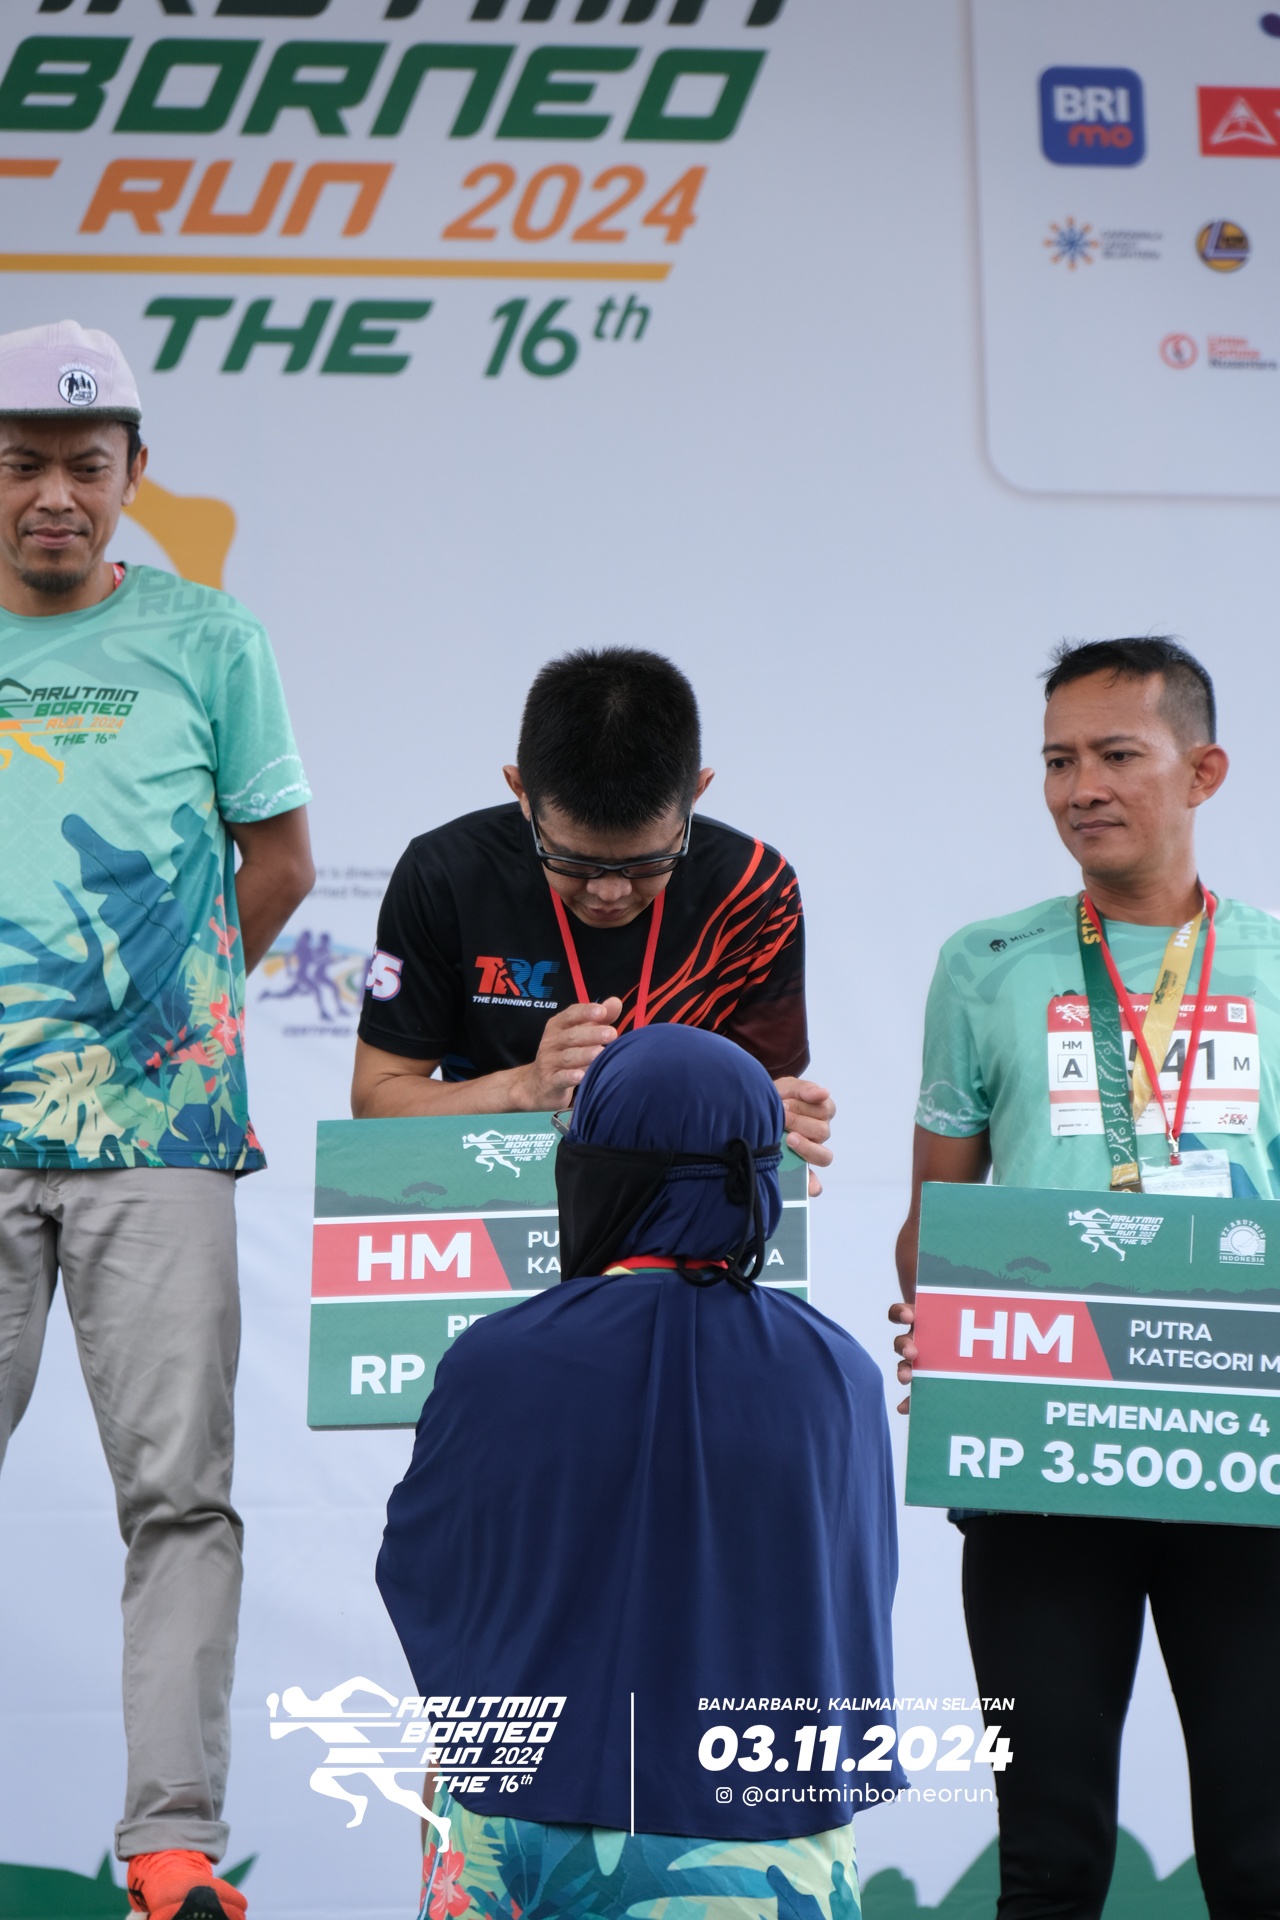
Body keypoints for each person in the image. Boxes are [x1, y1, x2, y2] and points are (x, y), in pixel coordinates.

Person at [0, 321, 314, 1920]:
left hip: (163, 1142)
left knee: (180, 1496)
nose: (54, 494)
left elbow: (281, 859)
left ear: (135, 472)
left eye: (85, 463)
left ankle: (171, 1840)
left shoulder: (210, 637)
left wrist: (166, 1020)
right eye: (21, 464)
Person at [890, 638, 1280, 1919]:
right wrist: (951, 1318)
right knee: (1048, 1860)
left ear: (1202, 772)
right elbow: (931, 1221)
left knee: (1262, 1857)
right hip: (1041, 1448)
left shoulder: (1272, 965)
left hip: (1242, 1454)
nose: (1080, 788)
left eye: (1116, 755)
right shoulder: (983, 962)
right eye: (1057, 761)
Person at [376, 1022, 901, 1920]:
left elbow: (425, 1575)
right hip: (765, 1841)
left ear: (594, 1170)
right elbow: (854, 1598)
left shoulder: (497, 1360)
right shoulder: (839, 1373)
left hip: (523, 1828)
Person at [351, 647, 835, 1191]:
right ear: (521, 791)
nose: (609, 891)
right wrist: (521, 1088)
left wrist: (780, 1134)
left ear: (696, 793)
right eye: (574, 862)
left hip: (683, 1203)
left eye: (647, 863)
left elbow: (766, 1097)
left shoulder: (752, 887)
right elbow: (376, 1102)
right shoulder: (446, 874)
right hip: (495, 1195)